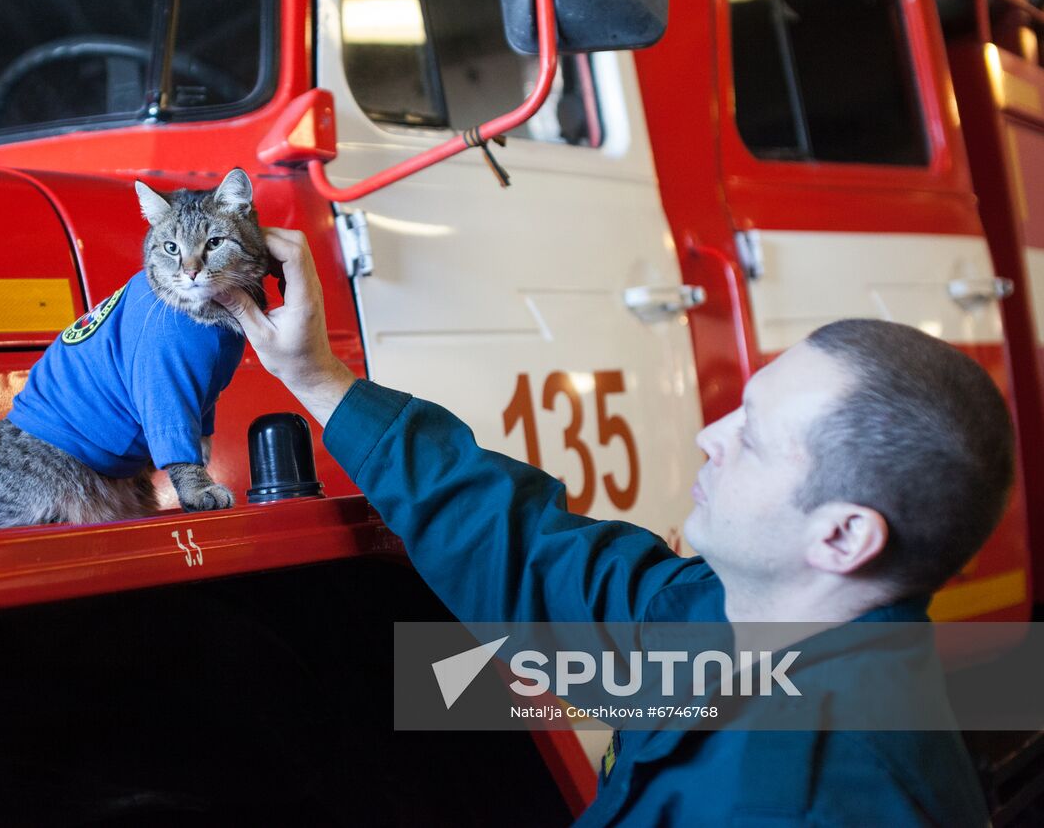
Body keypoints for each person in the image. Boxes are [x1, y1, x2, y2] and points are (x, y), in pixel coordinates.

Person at [214, 228, 1011, 826]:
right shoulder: (729, 617)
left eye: (754, 438)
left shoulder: (820, 794)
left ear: (842, 537)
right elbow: (524, 548)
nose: (711, 435)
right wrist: (317, 377)